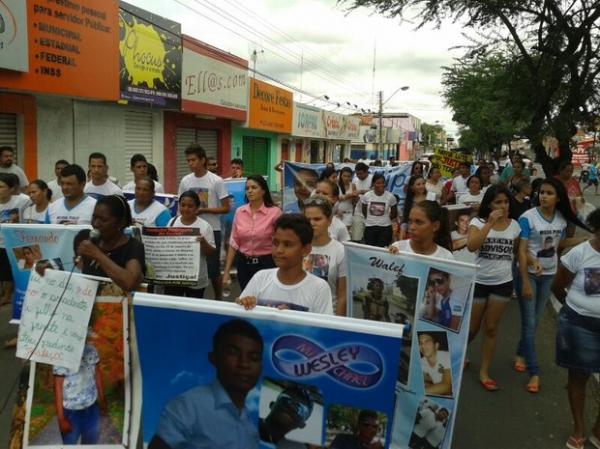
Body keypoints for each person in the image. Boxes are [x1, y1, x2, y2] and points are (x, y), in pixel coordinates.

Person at [515, 178, 588, 393]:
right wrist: (526, 281)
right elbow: (521, 250)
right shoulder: (527, 218)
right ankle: (534, 371)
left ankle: (520, 352)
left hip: (548, 275)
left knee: (534, 322)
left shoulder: (562, 220)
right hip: (527, 275)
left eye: (548, 193)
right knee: (529, 323)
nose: (543, 196)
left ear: (558, 198)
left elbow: (560, 243)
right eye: (541, 192)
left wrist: (585, 240)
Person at [149, 319, 263, 449]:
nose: (244, 364)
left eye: (254, 358)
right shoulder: (189, 406)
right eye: (233, 353)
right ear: (213, 358)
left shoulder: (250, 429)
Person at [551, 208, 600, 449]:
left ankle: (598, 430)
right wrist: (576, 311)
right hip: (579, 324)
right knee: (579, 376)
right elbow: (558, 287)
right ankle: (579, 427)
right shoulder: (579, 253)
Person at [466, 185, 521, 391]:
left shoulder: (515, 226)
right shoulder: (477, 222)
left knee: (491, 328)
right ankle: (461, 355)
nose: (503, 206)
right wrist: (489, 223)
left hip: (503, 283)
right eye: (498, 202)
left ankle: (484, 371)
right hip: (479, 281)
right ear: (489, 204)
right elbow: (472, 245)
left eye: (506, 202)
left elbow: (516, 253)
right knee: (472, 328)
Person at [236, 214, 333, 314]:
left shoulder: (319, 288)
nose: (279, 250)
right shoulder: (260, 278)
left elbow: (323, 328)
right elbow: (240, 319)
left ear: (306, 250)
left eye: (288, 245)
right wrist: (245, 304)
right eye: (276, 243)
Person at [178, 144, 230, 300]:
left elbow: (226, 208)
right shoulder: (185, 181)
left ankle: (219, 300)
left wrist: (204, 210)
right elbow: (179, 205)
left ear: (202, 160)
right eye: (187, 160)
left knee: (213, 269)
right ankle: (189, 299)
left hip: (212, 229)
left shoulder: (216, 181)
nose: (190, 164)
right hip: (188, 229)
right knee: (188, 265)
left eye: (193, 160)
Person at [222, 175, 281, 290]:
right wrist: (226, 271)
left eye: (254, 187)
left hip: (267, 264)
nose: (250, 191)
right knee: (246, 301)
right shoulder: (240, 212)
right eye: (247, 188)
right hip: (244, 265)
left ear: (263, 191)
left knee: (265, 301)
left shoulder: (275, 212)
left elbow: (280, 242)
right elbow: (234, 243)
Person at [53, 331, 107, 445]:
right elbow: (58, 387)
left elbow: (98, 375)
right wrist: (61, 419)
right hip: (71, 413)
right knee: (69, 445)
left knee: (90, 445)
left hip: (92, 409)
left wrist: (103, 400)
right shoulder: (61, 355)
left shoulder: (91, 350)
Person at [164, 191, 215, 298]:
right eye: (183, 205)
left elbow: (211, 253)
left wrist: (203, 242)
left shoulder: (205, 226)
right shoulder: (172, 223)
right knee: (174, 307)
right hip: (174, 276)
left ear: (197, 207)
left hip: (196, 278)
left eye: (190, 206)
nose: (186, 209)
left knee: (193, 309)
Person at [303, 196, 347, 315]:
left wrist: (336, 325)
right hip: (299, 316)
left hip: (326, 318)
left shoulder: (340, 251)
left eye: (317, 219)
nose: (312, 223)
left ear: (329, 221)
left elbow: (342, 295)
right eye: (308, 220)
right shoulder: (296, 246)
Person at [0, 173, 31, 307]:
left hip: (15, 241)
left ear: (11, 189)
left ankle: (8, 295)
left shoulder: (23, 200)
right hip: (0, 242)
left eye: (1, 187)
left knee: (10, 270)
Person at [390, 201, 454, 260]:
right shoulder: (397, 248)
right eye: (410, 222)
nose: (412, 227)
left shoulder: (446, 257)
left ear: (435, 226)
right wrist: (387, 256)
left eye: (419, 222)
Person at [362, 174, 397, 247]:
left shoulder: (391, 197)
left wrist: (384, 220)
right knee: (370, 250)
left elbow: (394, 213)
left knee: (382, 251)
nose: (381, 185)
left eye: (383, 182)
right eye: (378, 183)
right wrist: (371, 219)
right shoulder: (367, 196)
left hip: (385, 228)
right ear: (373, 184)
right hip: (370, 227)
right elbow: (364, 211)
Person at [418, 332, 453, 397]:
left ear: (436, 346)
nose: (423, 346)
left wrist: (419, 392)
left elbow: (447, 386)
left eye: (427, 342)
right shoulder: (422, 361)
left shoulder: (446, 356)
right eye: (420, 343)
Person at [350, 162, 373, 241]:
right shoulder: (355, 180)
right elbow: (354, 195)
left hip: (371, 213)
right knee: (356, 237)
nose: (359, 176)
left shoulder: (372, 178)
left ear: (366, 171)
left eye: (361, 173)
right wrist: (354, 197)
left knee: (369, 238)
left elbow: (374, 191)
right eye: (357, 174)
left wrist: (361, 191)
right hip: (358, 211)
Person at [400, 175, 428, 240]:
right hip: (412, 233)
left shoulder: (431, 198)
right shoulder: (409, 201)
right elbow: (405, 219)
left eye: (423, 183)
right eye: (418, 184)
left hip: (426, 234)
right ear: (412, 187)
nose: (422, 186)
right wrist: (402, 233)